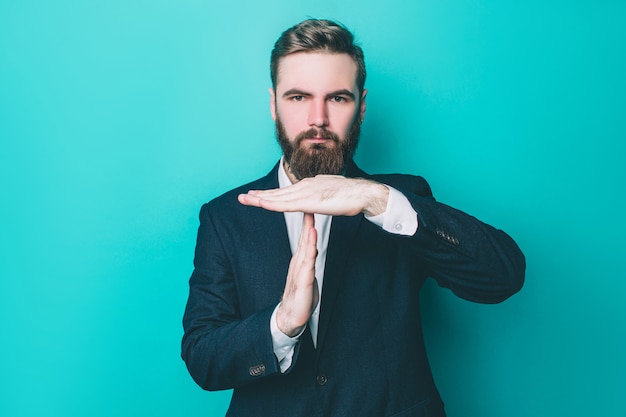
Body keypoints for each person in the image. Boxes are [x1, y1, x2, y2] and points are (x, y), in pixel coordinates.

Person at [181, 18, 525, 417]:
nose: (318, 119)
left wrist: (377, 199)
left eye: (338, 98)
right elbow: (203, 358)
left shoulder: (402, 199)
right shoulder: (226, 217)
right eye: (298, 97)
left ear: (361, 108)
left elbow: (503, 276)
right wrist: (282, 324)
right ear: (273, 105)